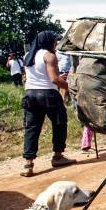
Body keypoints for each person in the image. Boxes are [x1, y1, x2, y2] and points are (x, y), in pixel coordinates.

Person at [20, 31, 75, 177]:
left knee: (32, 128)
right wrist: (73, 88)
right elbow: (54, 80)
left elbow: (41, 75)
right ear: (49, 42)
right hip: (48, 94)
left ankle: (28, 163)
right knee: (59, 123)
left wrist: (58, 76)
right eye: (54, 41)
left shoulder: (27, 56)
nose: (56, 44)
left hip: (30, 94)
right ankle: (58, 156)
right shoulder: (49, 56)